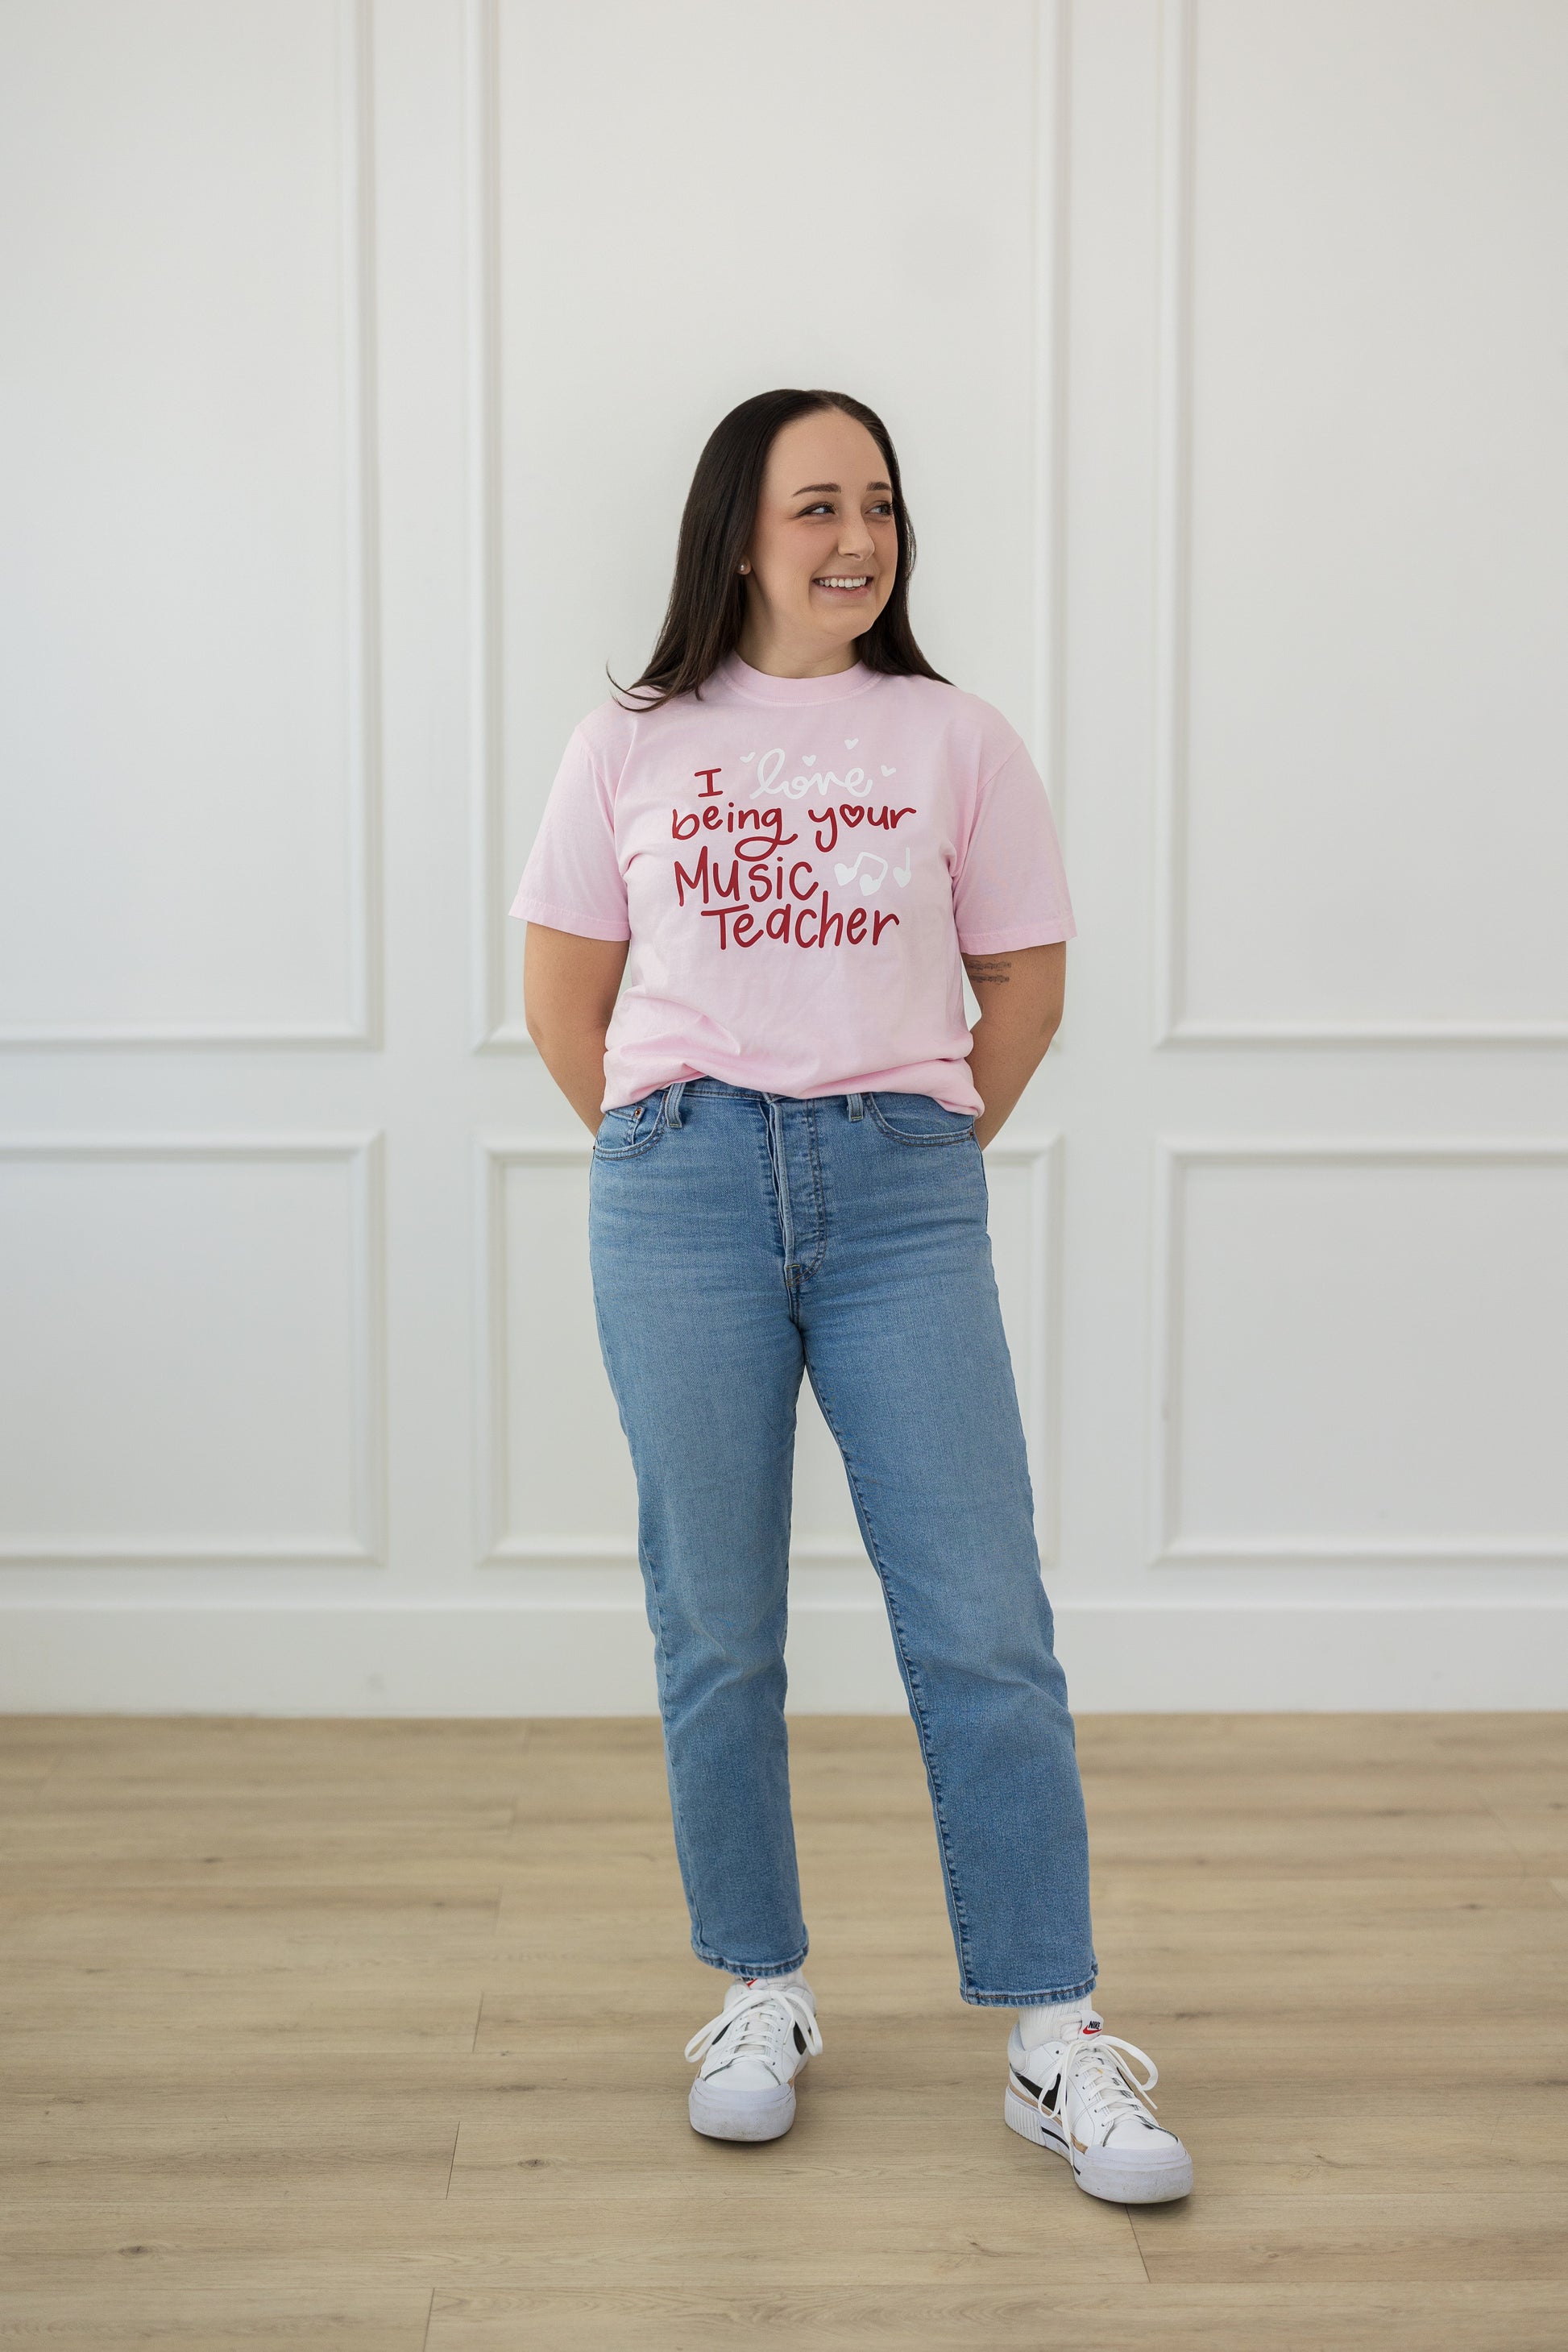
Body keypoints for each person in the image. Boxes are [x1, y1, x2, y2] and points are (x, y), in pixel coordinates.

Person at [511, 388, 1192, 2205]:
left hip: (901, 1197)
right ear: (737, 533)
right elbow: (565, 998)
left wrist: (911, 1145)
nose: (856, 538)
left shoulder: (956, 736)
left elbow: (1023, 985)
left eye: (877, 504)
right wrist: (676, 1153)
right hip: (678, 1192)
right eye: (815, 505)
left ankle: (1052, 2029)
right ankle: (759, 1989)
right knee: (716, 1620)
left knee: (982, 1618)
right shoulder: (627, 744)